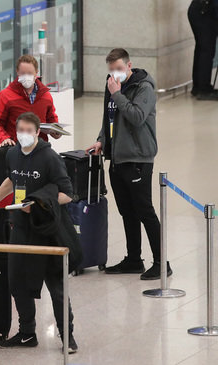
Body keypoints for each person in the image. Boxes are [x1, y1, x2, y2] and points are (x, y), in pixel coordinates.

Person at [0, 112, 78, 354]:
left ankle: (67, 336)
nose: (23, 135)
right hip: (20, 228)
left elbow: (67, 194)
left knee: (56, 287)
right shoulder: (12, 154)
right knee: (17, 282)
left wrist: (40, 205)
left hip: (47, 230)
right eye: (19, 130)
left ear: (36, 133)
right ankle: (26, 333)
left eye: (27, 131)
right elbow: (11, 181)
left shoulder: (50, 158)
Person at [87, 48, 171, 280]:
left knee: (145, 210)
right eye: (111, 70)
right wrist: (101, 140)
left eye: (119, 69)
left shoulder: (144, 87)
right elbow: (110, 118)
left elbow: (136, 116)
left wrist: (117, 94)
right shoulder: (112, 85)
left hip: (138, 158)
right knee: (127, 211)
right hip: (117, 158)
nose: (115, 74)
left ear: (129, 65)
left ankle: (162, 262)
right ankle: (134, 259)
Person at [0, 54, 62, 147]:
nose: (26, 76)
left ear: (36, 73)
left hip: (39, 149)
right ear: (17, 72)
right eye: (23, 73)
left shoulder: (45, 96)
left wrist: (56, 131)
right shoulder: (5, 96)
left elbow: (52, 120)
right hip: (15, 149)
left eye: (30, 73)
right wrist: (3, 138)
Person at [188, 0, 218, 100]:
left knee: (201, 49)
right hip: (204, 13)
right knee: (206, 51)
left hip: (198, 11)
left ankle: (198, 87)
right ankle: (203, 89)